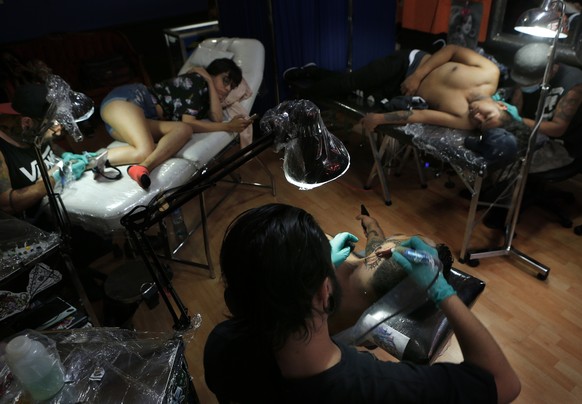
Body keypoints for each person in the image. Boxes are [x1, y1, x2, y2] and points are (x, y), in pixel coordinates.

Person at [204, 203, 521, 403]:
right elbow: (504, 383)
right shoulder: (378, 389)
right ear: (323, 294)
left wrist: (371, 229)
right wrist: (442, 293)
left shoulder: (223, 344)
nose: (347, 258)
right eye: (327, 260)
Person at [0, 83, 111, 294]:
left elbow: (61, 159)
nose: (59, 128)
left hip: (60, 212)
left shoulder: (37, 133)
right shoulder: (3, 150)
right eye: (53, 124)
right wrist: (49, 183)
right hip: (33, 237)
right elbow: (6, 204)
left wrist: (81, 161)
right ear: (26, 122)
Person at [284, 44, 518, 132]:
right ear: (499, 105)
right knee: (352, 82)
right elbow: (452, 50)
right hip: (410, 63)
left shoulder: (464, 119)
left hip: (401, 90)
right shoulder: (489, 73)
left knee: (352, 87)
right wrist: (416, 76)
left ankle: (314, 72)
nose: (476, 115)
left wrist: (381, 118)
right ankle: (300, 96)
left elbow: (421, 114)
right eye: (486, 115)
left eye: (480, 122)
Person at [100, 58, 254, 189]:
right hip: (127, 100)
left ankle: (140, 167)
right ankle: (83, 161)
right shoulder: (196, 81)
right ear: (211, 72)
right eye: (225, 80)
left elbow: (217, 117)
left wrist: (210, 82)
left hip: (140, 117)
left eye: (231, 87)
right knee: (146, 149)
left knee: (183, 130)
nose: (227, 89)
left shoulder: (205, 90)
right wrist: (227, 126)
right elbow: (194, 122)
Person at [327, 214, 454, 335]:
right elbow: (377, 249)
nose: (401, 235)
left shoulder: (321, 295)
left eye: (411, 239)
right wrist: (372, 226)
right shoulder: (374, 274)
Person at [508, 42, 582, 173]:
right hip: (529, 130)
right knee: (498, 150)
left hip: (560, 144)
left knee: (512, 166)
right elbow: (518, 95)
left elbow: (558, 128)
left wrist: (518, 120)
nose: (525, 85)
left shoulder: (574, 86)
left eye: (532, 82)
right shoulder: (527, 69)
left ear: (552, 70)